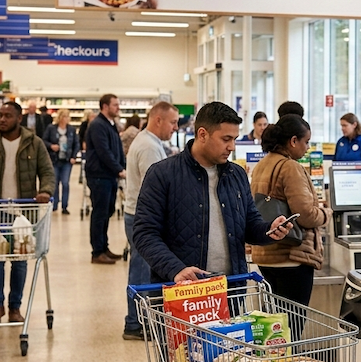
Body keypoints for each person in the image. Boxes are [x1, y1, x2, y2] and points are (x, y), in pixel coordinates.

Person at [133, 101, 294, 284]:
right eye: (226, 139)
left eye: (234, 139)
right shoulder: (162, 174)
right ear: (202, 134)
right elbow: (145, 233)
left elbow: (250, 224)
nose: (232, 147)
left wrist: (269, 229)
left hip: (231, 289)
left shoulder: (237, 174)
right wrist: (175, 269)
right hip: (183, 293)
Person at [0, 102, 54, 325]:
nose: (2, 119)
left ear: (19, 118)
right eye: (0, 115)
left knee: (20, 260)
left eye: (8, 115)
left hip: (23, 213)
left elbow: (47, 172)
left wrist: (45, 191)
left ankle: (15, 307)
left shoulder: (34, 143)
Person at [250, 115, 331, 307]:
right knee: (294, 325)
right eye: (306, 142)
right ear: (293, 141)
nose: (308, 148)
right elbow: (305, 216)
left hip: (265, 255)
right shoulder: (290, 167)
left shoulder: (261, 165)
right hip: (291, 256)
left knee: (276, 325)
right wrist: (326, 214)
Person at [121, 101, 179, 341]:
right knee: (143, 273)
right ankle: (135, 323)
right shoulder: (148, 147)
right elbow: (155, 188)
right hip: (142, 218)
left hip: (135, 214)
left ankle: (139, 321)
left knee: (142, 269)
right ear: (158, 120)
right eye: (173, 122)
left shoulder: (150, 142)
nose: (175, 127)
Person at [85, 94, 126, 264]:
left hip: (109, 176)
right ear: (105, 106)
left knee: (107, 212)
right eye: (115, 105)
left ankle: (104, 247)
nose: (118, 107)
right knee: (100, 213)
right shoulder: (97, 125)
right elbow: (103, 151)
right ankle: (97, 252)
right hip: (99, 176)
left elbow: (116, 148)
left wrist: (122, 165)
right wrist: (118, 169)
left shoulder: (110, 124)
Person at [43, 109, 79, 214]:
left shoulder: (71, 130)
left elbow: (76, 144)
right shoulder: (51, 128)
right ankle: (54, 204)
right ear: (59, 117)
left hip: (67, 160)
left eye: (67, 117)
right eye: (64, 116)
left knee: (65, 183)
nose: (66, 119)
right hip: (54, 160)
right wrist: (51, 146)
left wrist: (74, 156)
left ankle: (64, 206)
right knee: (55, 183)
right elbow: (44, 141)